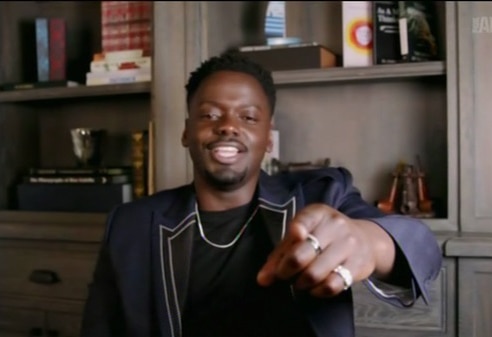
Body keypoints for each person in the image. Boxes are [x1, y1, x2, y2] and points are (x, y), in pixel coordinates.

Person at [81, 52, 442, 337]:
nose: (228, 126)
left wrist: (368, 241)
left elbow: (421, 247)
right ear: (186, 133)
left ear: (269, 138)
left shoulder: (321, 195)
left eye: (249, 118)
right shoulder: (130, 225)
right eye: (209, 115)